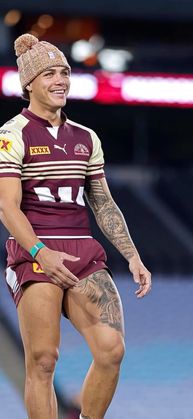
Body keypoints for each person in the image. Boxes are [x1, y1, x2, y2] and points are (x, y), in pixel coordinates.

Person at [0, 33, 151, 419]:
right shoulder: (9, 136)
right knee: (43, 361)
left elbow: (102, 201)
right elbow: (6, 206)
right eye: (49, 73)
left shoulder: (86, 137)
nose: (60, 80)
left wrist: (132, 255)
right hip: (35, 254)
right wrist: (39, 252)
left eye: (64, 72)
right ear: (28, 83)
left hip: (84, 253)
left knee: (111, 351)